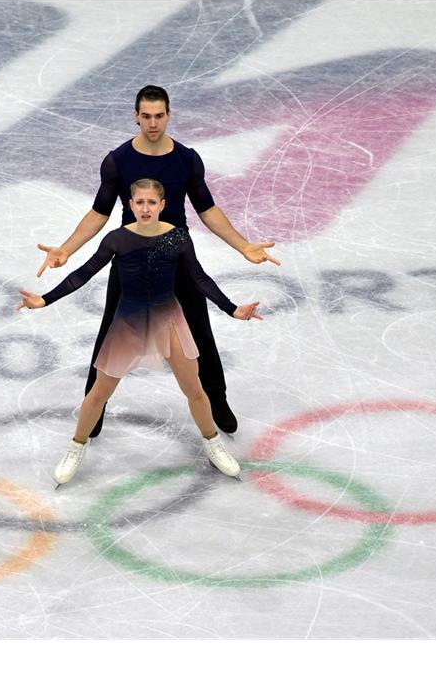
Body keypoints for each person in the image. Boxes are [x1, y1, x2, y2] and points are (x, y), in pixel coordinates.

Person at [36, 85, 279, 438]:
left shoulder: (186, 159)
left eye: (159, 115)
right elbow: (99, 212)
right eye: (146, 116)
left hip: (176, 257)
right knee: (109, 334)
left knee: (200, 333)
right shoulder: (118, 160)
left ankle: (218, 401)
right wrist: (67, 248)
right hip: (130, 259)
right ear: (136, 116)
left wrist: (243, 246)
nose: (152, 123)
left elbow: (207, 209)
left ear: (169, 115)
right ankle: (95, 409)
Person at [17, 179, 263, 485]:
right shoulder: (117, 239)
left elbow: (199, 277)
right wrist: (45, 299)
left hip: (167, 320)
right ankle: (76, 448)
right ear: (131, 205)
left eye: (151, 202)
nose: (145, 208)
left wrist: (232, 308)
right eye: (139, 202)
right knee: (98, 394)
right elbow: (84, 273)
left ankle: (213, 444)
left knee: (195, 389)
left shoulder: (178, 238)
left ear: (162, 205)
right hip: (129, 321)